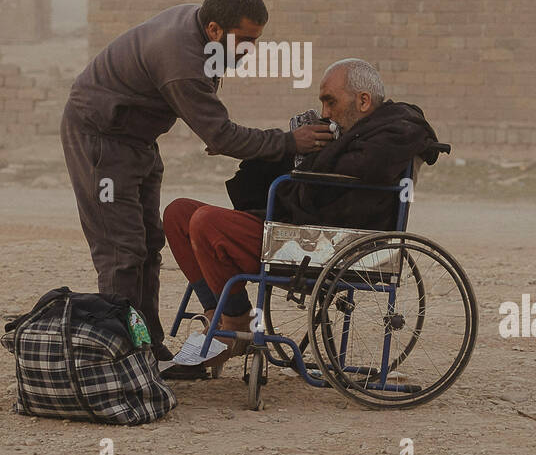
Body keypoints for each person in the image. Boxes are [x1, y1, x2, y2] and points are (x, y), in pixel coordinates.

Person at [60, 0, 332, 363]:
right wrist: (290, 142)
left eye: (255, 41)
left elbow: (211, 120)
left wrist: (213, 125)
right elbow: (221, 135)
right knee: (121, 251)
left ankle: (148, 345)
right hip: (102, 140)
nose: (248, 51)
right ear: (215, 30)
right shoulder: (180, 60)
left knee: (149, 244)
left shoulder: (202, 24)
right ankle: (121, 357)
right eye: (244, 41)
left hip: (138, 139)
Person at [164, 58, 442, 374]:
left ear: (363, 101)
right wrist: (292, 146)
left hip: (324, 244)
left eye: (330, 102)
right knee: (178, 213)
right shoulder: (352, 133)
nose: (325, 112)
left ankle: (235, 324)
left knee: (205, 222)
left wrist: (311, 155)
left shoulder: (397, 130)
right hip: (300, 227)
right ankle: (221, 316)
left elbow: (350, 174)